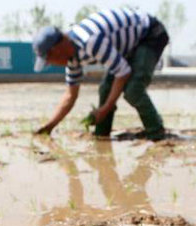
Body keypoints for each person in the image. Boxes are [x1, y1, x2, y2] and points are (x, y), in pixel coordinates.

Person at [32, 8, 169, 140]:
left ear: (57, 50)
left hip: (150, 34)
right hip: (128, 46)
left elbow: (123, 73)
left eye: (50, 60)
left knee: (133, 90)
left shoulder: (90, 41)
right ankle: (102, 134)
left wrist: (104, 109)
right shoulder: (73, 58)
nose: (52, 64)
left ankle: (156, 132)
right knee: (105, 89)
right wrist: (49, 126)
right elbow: (70, 96)